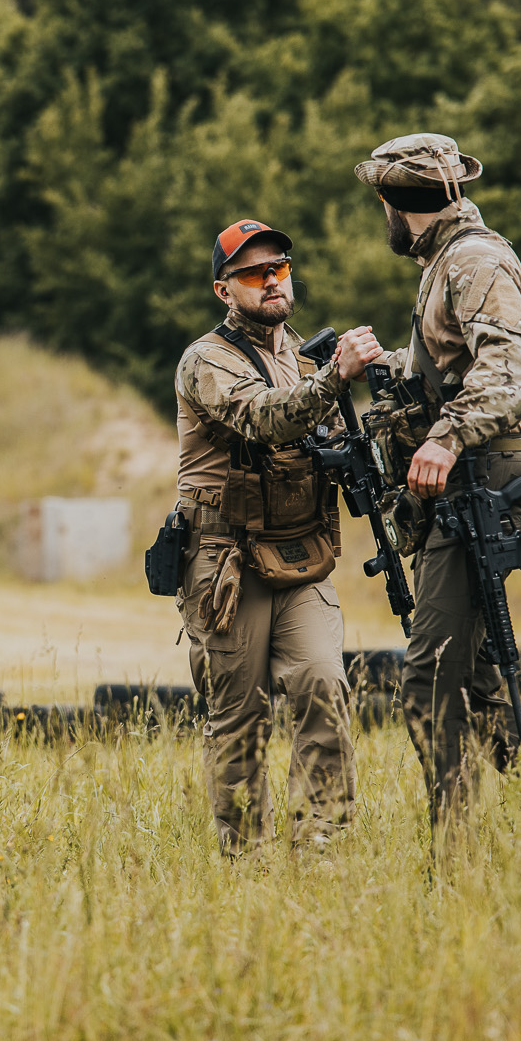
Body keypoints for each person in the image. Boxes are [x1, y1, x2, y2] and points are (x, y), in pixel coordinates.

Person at [352, 133, 521, 834]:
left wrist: (445, 438)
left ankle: (456, 851)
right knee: (477, 684)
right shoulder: (450, 260)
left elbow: (509, 375)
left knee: (429, 678)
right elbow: (446, 367)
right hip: (471, 481)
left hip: (487, 481)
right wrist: (375, 363)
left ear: (394, 202)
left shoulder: (474, 259)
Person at [171, 218, 384, 853]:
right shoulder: (207, 359)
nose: (271, 280)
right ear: (223, 290)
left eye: (280, 268)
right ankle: (248, 860)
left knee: (323, 683)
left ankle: (322, 846)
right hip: (225, 562)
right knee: (239, 720)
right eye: (253, 272)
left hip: (299, 552)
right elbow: (263, 419)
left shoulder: (304, 354)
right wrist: (335, 379)